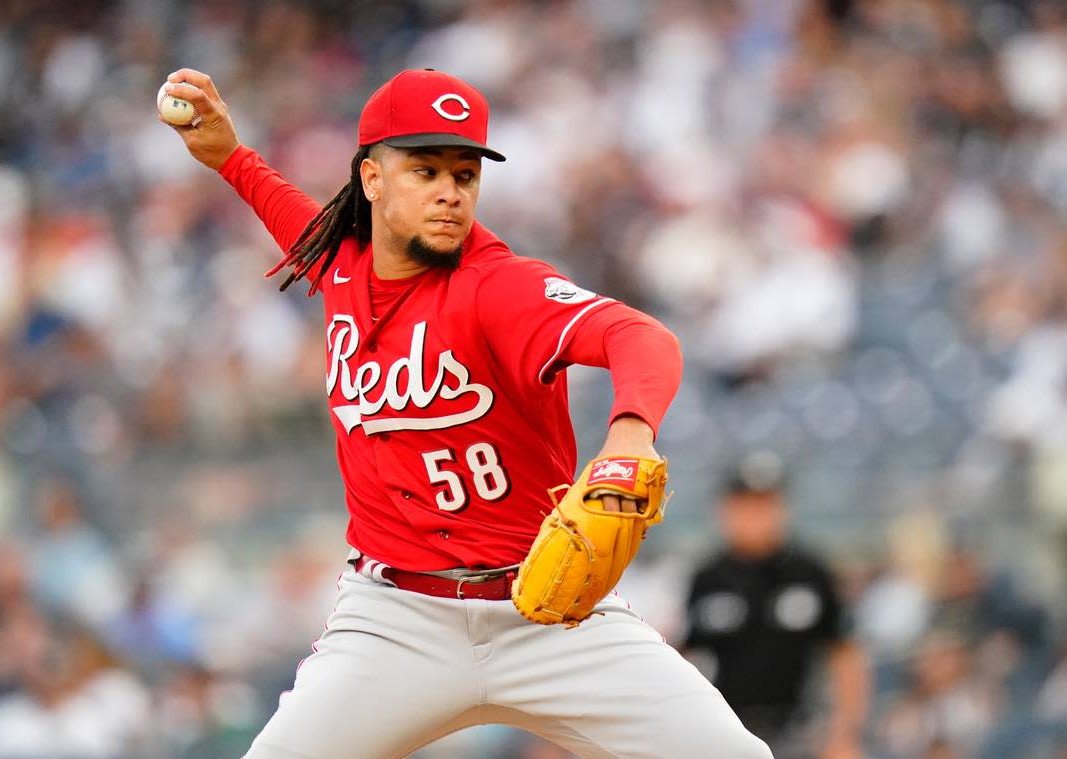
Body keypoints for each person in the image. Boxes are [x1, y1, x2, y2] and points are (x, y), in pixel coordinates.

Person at [162, 67, 771, 759]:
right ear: (371, 179)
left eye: (465, 173)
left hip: (548, 611)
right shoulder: (341, 263)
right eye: (425, 170)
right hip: (395, 620)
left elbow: (641, 336)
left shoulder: (499, 287)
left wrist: (630, 432)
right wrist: (231, 158)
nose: (452, 192)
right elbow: (298, 223)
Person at [681, 452, 868, 759]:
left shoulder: (811, 573)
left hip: (800, 731)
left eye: (765, 503)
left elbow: (845, 655)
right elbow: (683, 658)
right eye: (746, 504)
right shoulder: (707, 578)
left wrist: (844, 734)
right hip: (728, 730)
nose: (756, 515)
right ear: (725, 509)